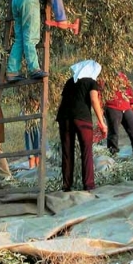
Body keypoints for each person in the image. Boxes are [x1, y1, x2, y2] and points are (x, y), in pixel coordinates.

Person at [55, 60, 107, 192]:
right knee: (86, 151)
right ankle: (88, 185)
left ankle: (66, 186)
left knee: (67, 152)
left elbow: (62, 102)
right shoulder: (91, 82)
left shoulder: (69, 82)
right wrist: (102, 122)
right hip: (82, 118)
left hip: (64, 118)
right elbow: (94, 100)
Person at [104, 72, 133, 156]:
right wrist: (101, 107)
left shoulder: (122, 75)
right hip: (112, 106)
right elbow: (99, 93)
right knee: (114, 131)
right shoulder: (103, 77)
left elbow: (128, 88)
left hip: (126, 105)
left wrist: (132, 102)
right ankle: (113, 153)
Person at [21, 96, 41, 169]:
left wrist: (36, 107)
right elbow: (22, 116)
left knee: (38, 146)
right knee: (29, 148)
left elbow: (39, 117)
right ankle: (31, 167)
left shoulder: (39, 109)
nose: (33, 104)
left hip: (37, 129)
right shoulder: (25, 109)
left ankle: (38, 166)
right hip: (28, 130)